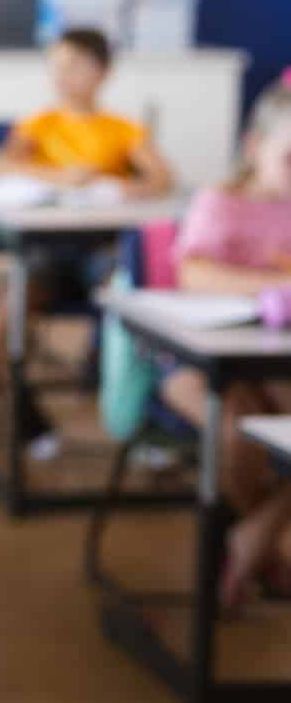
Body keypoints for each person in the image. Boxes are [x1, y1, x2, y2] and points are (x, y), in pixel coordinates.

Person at [0, 28, 174, 456]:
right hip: (46, 255)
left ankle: (143, 422)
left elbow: (162, 178)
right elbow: (3, 165)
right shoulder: (41, 123)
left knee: (140, 306)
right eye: (57, 66)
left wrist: (123, 186)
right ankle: (27, 423)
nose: (63, 75)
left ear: (102, 73)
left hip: (101, 254)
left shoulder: (122, 128)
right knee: (1, 316)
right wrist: (59, 176)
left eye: (74, 66)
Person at [159, 82, 291, 610]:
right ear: (256, 146)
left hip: (277, 365)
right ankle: (260, 544)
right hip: (197, 365)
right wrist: (270, 292)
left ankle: (252, 537)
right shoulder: (220, 203)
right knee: (237, 433)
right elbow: (194, 274)